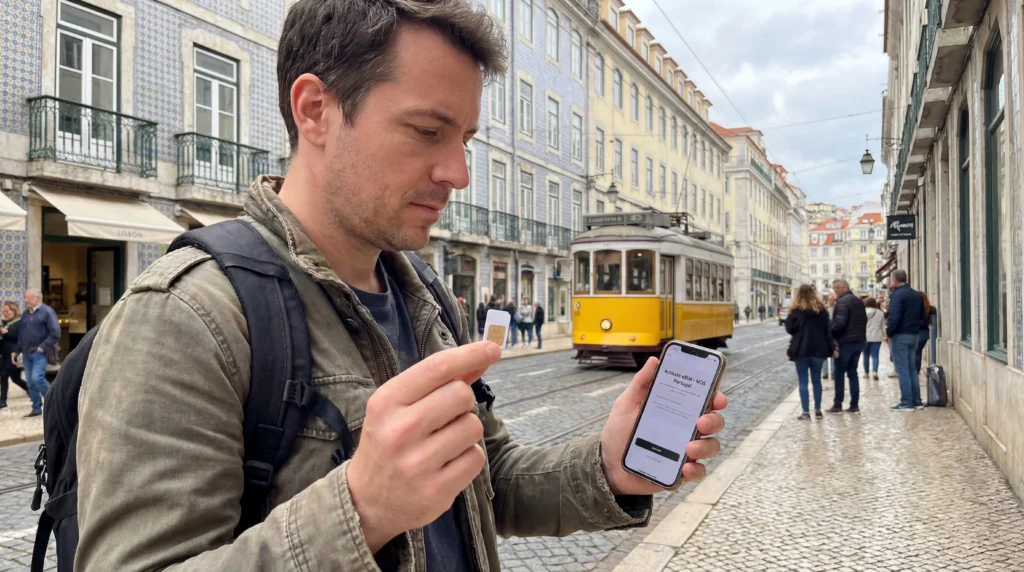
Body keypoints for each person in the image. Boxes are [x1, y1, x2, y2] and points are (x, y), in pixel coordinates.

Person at [74, 3, 729, 569]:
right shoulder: (187, 316)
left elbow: (483, 481)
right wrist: (360, 512)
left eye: (466, 139)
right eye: (427, 132)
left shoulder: (426, 297)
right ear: (315, 111)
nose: (457, 173)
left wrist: (607, 467)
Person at [785, 285, 834, 420]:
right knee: (817, 381)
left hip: (801, 350)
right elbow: (828, 331)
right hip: (819, 350)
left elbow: (790, 329)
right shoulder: (822, 311)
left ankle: (805, 412)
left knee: (803, 381)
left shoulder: (795, 311)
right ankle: (818, 410)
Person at [16, 289, 60, 417]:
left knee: (37, 378)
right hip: (26, 352)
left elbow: (55, 333)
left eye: (27, 298)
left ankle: (54, 403)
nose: (25, 300)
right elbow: (21, 334)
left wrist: (43, 347)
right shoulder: (25, 314)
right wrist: (17, 351)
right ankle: (36, 408)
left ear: (37, 299)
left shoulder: (47, 312)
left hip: (39, 352)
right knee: (30, 382)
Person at [885, 269, 925, 411]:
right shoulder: (916, 294)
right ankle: (917, 401)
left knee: (902, 369)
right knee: (912, 368)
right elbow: (922, 315)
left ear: (894, 280)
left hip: (900, 334)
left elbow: (894, 317)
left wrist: (889, 332)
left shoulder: (896, 295)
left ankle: (906, 402)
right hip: (914, 334)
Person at [827, 279, 867, 413]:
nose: (835, 291)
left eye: (836, 288)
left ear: (843, 288)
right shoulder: (858, 301)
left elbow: (840, 324)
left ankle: (838, 404)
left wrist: (830, 332)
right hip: (859, 341)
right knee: (853, 373)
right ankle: (854, 405)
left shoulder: (843, 302)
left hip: (845, 342)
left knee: (839, 374)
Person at [0, 301, 26, 409]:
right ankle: (3, 401)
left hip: (14, 353)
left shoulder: (20, 323)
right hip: (4, 354)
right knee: (8, 377)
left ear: (14, 311)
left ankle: (3, 401)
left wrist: (8, 333)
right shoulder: (5, 323)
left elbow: (20, 338)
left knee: (10, 377)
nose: (5, 313)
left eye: (7, 311)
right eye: (3, 311)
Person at [862, 297, 884, 381]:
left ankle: (866, 373)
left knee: (865, 355)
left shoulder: (862, 312)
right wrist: (884, 335)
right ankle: (875, 372)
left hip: (865, 337)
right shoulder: (880, 313)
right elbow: (882, 326)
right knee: (875, 355)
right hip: (877, 337)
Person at [915, 291, 936, 376]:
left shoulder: (915, 309)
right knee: (918, 352)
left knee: (915, 352)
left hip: (917, 332)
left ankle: (915, 371)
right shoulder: (931, 308)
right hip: (925, 333)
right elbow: (933, 322)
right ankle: (916, 370)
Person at [822, 293, 836, 379]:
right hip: (824, 333)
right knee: (824, 354)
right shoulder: (824, 309)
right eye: (829, 300)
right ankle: (825, 373)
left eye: (832, 300)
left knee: (833, 353)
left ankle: (833, 373)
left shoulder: (837, 308)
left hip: (834, 332)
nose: (831, 301)